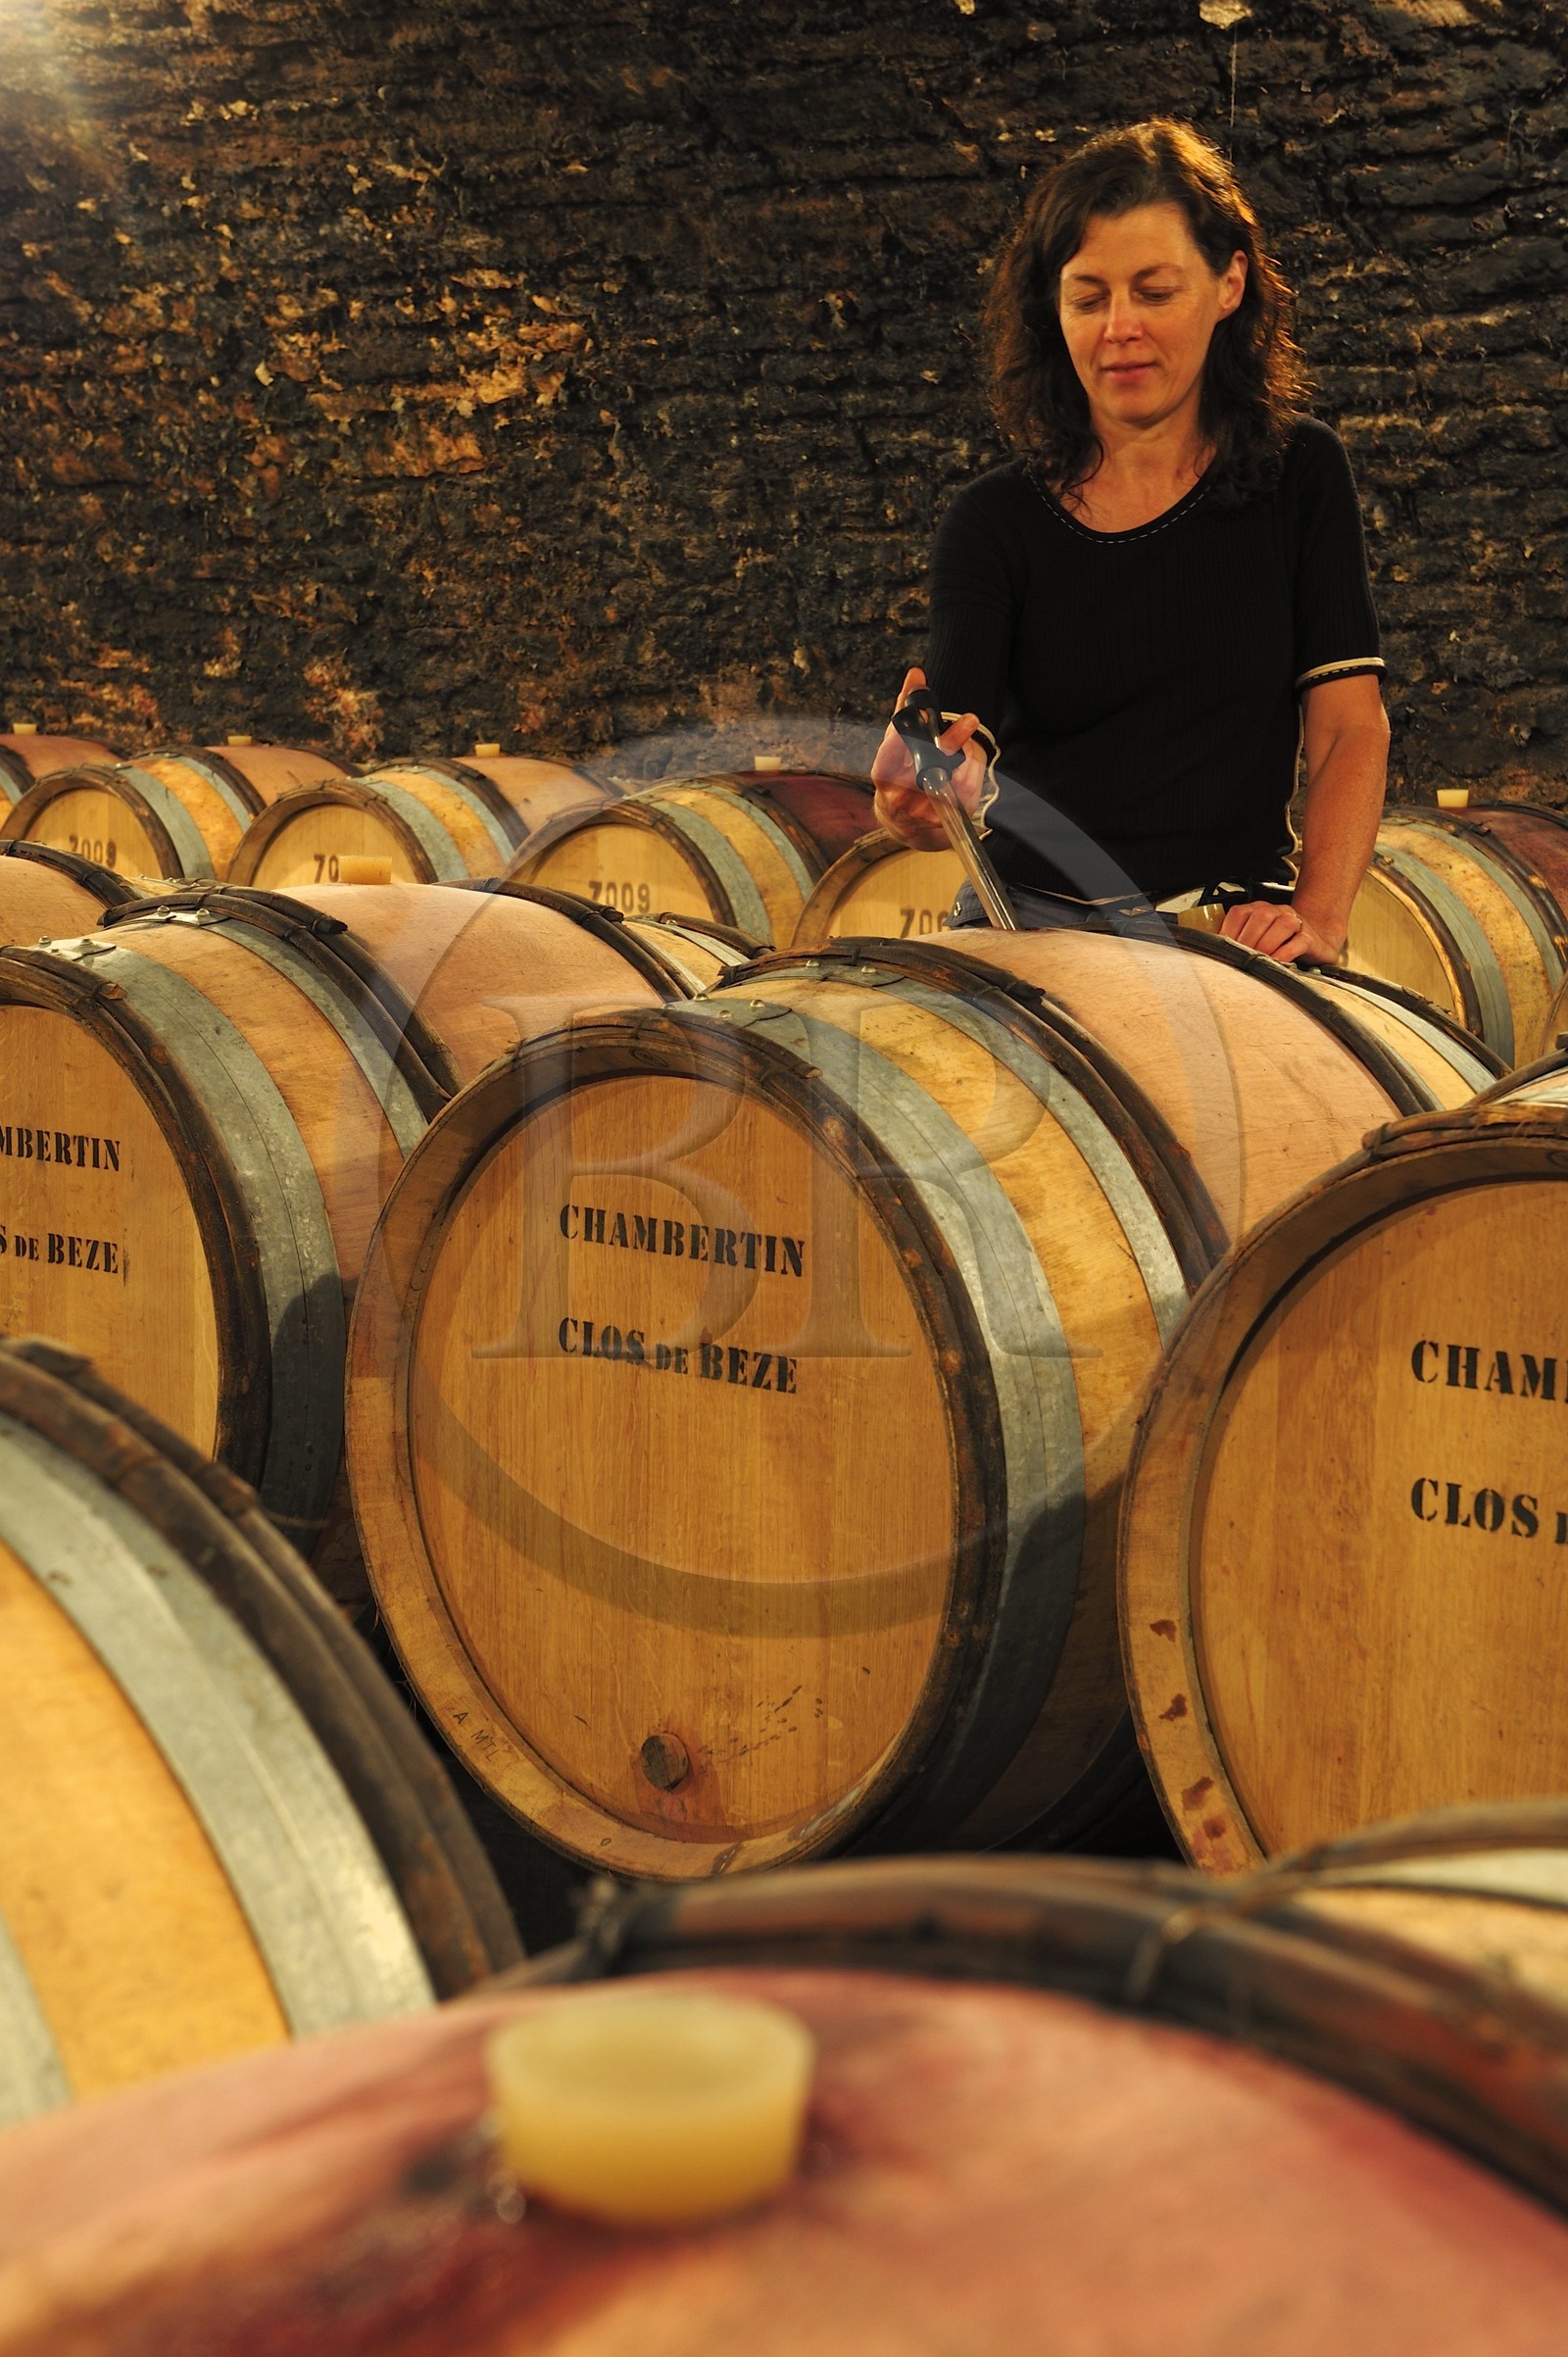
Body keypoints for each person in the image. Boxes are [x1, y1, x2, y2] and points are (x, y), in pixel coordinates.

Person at [870, 118, 1389, 965]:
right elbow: (950, 762)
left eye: (1154, 292)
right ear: (1054, 308)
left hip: (1229, 933)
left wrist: (1320, 916)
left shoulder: (1300, 474)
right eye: (1088, 298)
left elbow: (1349, 729)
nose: (1119, 327)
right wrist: (915, 803)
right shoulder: (994, 522)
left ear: (1229, 284)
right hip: (1029, 929)